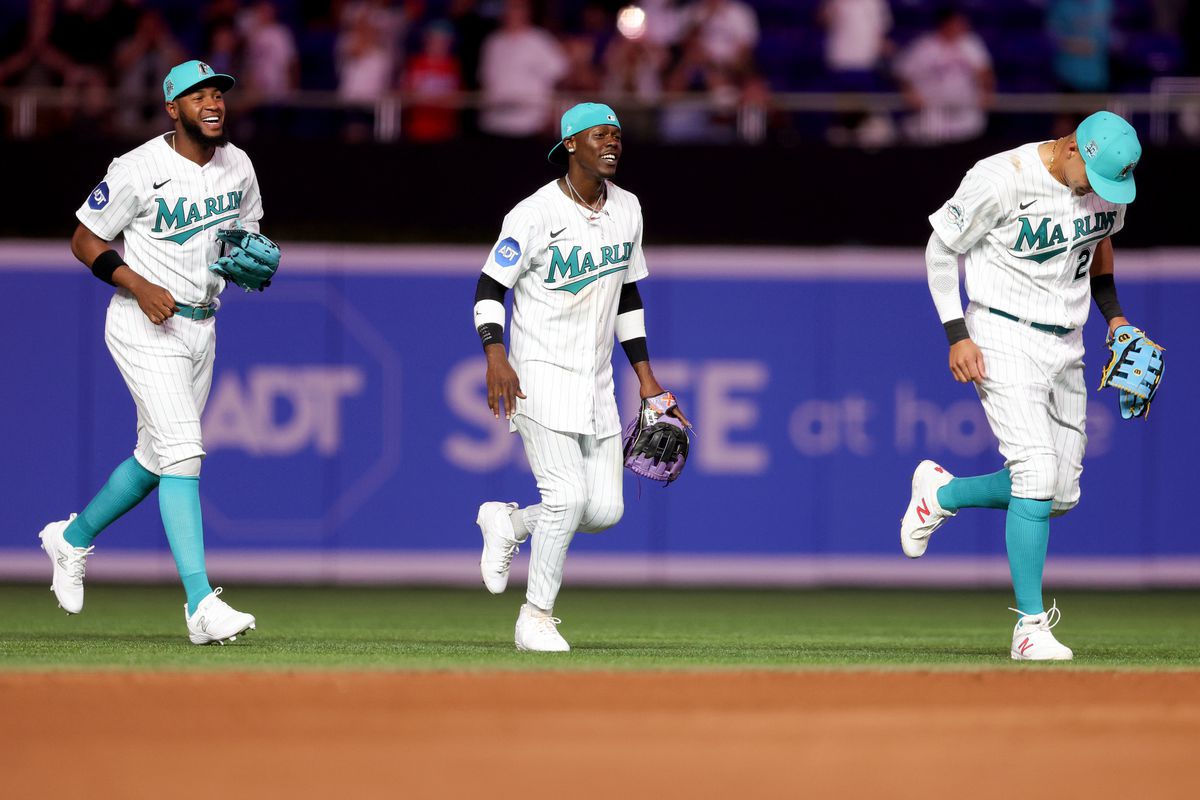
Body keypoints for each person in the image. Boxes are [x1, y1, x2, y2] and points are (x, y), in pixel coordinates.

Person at [39, 59, 266, 645]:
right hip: (143, 323)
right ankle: (200, 605)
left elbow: (246, 234)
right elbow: (84, 238)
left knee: (154, 460)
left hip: (202, 326)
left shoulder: (238, 165)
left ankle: (70, 539)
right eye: (197, 96)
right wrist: (137, 284)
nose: (212, 103)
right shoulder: (137, 168)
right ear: (172, 108)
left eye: (217, 94)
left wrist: (249, 257)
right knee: (185, 452)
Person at [903, 110, 1144, 660]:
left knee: (1059, 494)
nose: (1102, 191)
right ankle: (1029, 627)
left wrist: (1115, 316)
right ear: (1072, 148)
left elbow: (1101, 243)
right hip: (1001, 331)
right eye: (1095, 178)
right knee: (1035, 470)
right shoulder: (1000, 177)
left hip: (1068, 340)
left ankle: (941, 495)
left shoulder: (1108, 184)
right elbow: (940, 249)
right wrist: (957, 334)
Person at [472, 103, 688, 652]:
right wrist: (496, 355)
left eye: (617, 135)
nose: (612, 143)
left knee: (605, 510)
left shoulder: (628, 208)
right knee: (566, 499)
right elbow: (490, 287)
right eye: (599, 135)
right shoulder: (534, 213)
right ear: (570, 144)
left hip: (597, 381)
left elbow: (628, 294)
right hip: (538, 372)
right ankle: (535, 618)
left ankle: (510, 524)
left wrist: (647, 379)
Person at [894, 6, 993, 144]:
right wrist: (910, 93)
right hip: (932, 111)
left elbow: (984, 71)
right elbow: (902, 73)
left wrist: (986, 92)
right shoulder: (924, 46)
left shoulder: (970, 43)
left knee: (967, 145)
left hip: (965, 110)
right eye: (956, 23)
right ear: (945, 24)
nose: (961, 27)